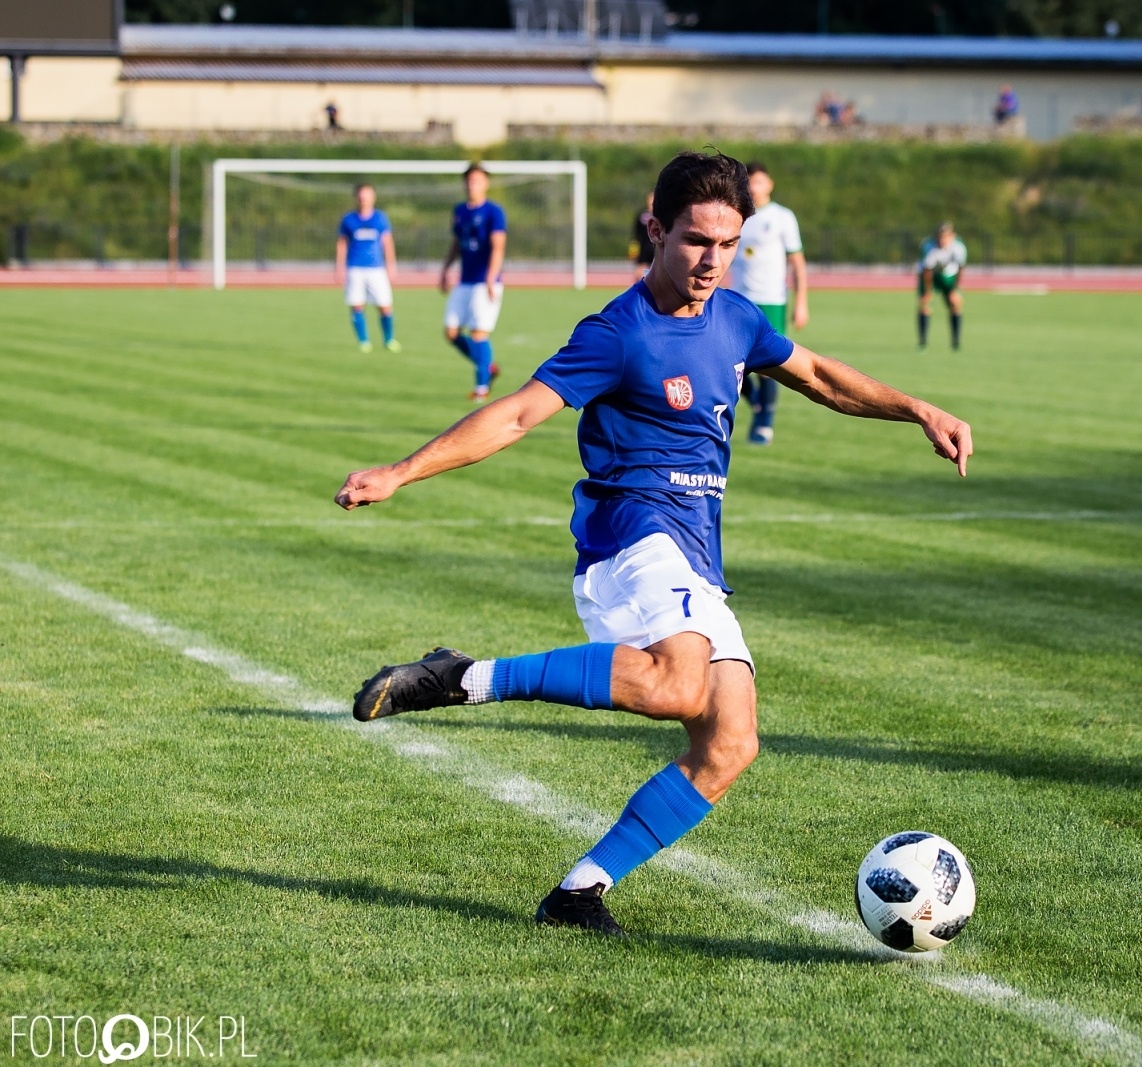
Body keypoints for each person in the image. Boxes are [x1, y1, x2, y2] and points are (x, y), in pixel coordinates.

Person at [334, 151, 973, 935]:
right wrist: (402, 472)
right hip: (626, 539)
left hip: (696, 554)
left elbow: (823, 378)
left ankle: (578, 892)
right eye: (696, 240)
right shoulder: (616, 332)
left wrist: (918, 409)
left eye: (728, 243)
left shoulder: (737, 317)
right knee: (677, 686)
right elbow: (516, 415)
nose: (712, 260)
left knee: (731, 741)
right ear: (655, 230)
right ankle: (464, 677)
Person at [727, 161, 807, 446]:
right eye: (749, 182)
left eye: (759, 181)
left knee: (769, 362)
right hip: (739, 298)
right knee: (732, 361)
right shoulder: (736, 215)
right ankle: (759, 403)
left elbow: (797, 263)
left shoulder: (783, 217)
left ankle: (764, 422)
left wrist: (801, 303)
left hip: (772, 299)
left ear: (770, 184)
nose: (754, 187)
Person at [440, 164, 506, 403]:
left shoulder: (493, 212)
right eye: (469, 181)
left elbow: (498, 246)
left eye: (477, 181)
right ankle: (488, 366)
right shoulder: (460, 211)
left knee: (478, 333)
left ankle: (481, 387)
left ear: (485, 183)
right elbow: (457, 243)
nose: (472, 185)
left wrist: (491, 276)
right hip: (465, 281)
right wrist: (445, 269)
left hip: (484, 281)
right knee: (451, 332)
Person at [335, 183, 400, 353]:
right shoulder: (349, 220)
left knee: (385, 305)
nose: (364, 199)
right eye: (361, 195)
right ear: (356, 197)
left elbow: (387, 242)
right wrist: (339, 267)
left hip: (376, 268)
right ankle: (364, 341)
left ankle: (389, 339)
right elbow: (342, 243)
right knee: (357, 305)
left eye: (367, 195)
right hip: (355, 268)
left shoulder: (380, 218)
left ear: (373, 197)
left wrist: (391, 264)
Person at [916, 222, 967, 350]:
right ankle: (923, 342)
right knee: (925, 304)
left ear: (952, 236)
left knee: (954, 302)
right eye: (940, 237)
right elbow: (927, 272)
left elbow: (960, 269)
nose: (942, 240)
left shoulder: (958, 248)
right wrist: (927, 291)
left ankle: (955, 342)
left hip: (949, 276)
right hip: (930, 276)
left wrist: (954, 289)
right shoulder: (930, 248)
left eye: (945, 236)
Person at [629, 191, 656, 281]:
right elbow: (636, 235)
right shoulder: (642, 216)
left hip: (657, 249)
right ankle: (639, 292)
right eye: (650, 199)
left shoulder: (661, 215)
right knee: (639, 274)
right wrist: (633, 250)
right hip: (644, 250)